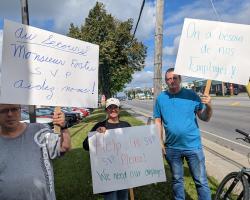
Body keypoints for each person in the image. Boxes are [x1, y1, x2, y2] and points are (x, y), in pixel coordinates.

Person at [154, 68, 212, 200]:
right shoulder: (161, 99)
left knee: (201, 181)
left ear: (180, 79)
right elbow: (158, 121)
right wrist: (160, 141)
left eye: (174, 78)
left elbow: (205, 118)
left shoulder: (192, 95)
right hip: (172, 148)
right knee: (176, 181)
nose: (172, 81)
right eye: (169, 79)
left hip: (193, 147)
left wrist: (209, 106)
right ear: (165, 81)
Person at [0, 104, 71, 200]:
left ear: (20, 110)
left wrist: (63, 127)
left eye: (14, 109)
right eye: (3, 111)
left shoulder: (39, 130)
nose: (10, 114)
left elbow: (64, 147)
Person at [83, 98, 131, 200]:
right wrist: (96, 134)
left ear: (119, 109)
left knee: (124, 197)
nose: (113, 110)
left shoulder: (126, 125)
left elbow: (134, 146)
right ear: (106, 110)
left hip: (124, 172)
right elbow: (85, 146)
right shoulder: (100, 125)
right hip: (108, 174)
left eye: (115, 107)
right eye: (110, 107)